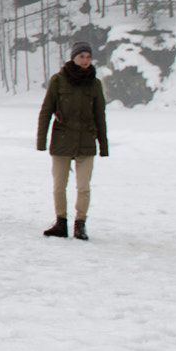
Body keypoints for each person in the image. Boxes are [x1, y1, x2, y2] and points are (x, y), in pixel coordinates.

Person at [37, 41, 109, 239]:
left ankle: (80, 224)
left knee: (84, 186)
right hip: (62, 140)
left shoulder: (94, 84)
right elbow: (46, 111)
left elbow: (100, 116)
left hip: (86, 141)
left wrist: (103, 145)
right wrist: (41, 141)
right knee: (59, 185)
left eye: (88, 56)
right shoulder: (58, 80)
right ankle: (61, 223)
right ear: (73, 58)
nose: (85, 61)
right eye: (81, 57)